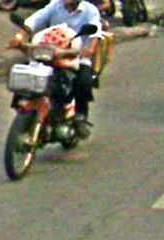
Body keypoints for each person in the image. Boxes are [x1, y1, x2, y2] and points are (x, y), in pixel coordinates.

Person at [8, 0, 103, 138]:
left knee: (83, 80)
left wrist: (90, 49)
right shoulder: (55, 5)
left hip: (76, 56)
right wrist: (20, 36)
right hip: (50, 53)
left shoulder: (90, 11)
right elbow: (35, 20)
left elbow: (95, 31)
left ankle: (80, 115)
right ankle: (21, 103)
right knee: (27, 71)